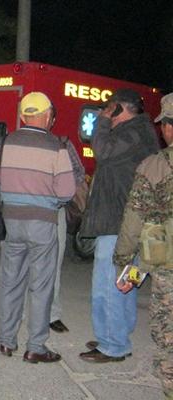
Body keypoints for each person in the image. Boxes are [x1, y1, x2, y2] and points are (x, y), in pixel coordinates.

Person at [0, 92, 75, 363]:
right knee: (41, 286)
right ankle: (36, 346)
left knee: (10, 282)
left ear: (22, 116)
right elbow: (67, 192)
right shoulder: (57, 148)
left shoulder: (5, 143)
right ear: (48, 117)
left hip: (11, 224)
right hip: (43, 224)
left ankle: (6, 341)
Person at [79, 88, 160, 363]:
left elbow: (101, 152)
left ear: (118, 109)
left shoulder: (133, 133)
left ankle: (113, 344)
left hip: (118, 225)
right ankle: (114, 337)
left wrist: (101, 122)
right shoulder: (140, 132)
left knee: (109, 285)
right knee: (126, 283)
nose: (106, 114)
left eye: (110, 109)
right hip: (127, 223)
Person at [113, 92, 173, 398]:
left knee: (167, 333)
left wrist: (124, 261)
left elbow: (135, 219)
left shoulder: (154, 167)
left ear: (168, 128)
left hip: (165, 261)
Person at [50, 108, 86, 334]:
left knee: (53, 265)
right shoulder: (17, 143)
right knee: (21, 264)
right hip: (25, 214)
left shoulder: (62, 144)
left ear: (52, 119)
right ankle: (19, 312)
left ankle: (51, 314)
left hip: (55, 211)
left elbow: (79, 173)